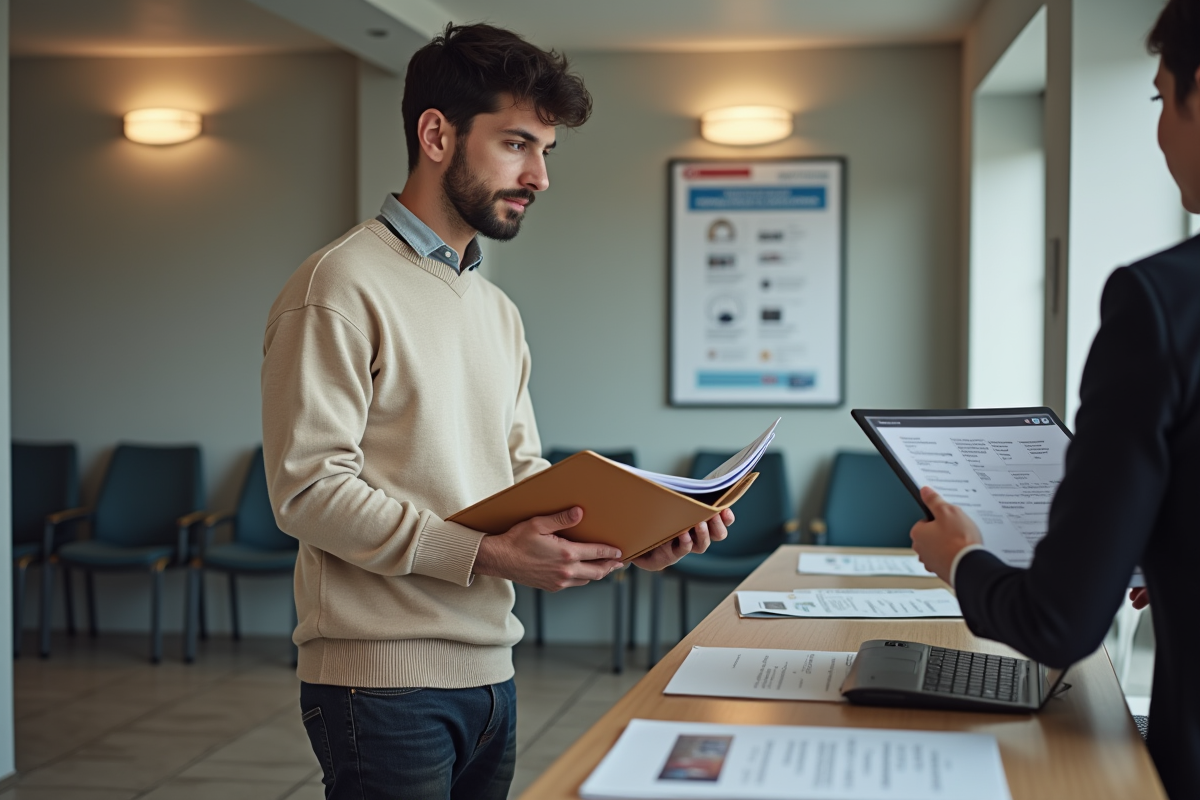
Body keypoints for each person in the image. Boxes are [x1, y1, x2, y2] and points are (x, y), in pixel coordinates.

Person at [260, 23, 733, 800]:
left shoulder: (495, 310)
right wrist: (482, 555)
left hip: (492, 676)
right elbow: (308, 491)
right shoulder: (337, 286)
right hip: (381, 687)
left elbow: (521, 479)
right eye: (517, 144)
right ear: (437, 134)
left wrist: (634, 538)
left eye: (545, 150)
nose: (539, 176)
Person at [909, 1, 1200, 796]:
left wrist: (959, 558)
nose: (1158, 131)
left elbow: (1058, 625)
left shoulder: (1161, 303)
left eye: (1156, 98)